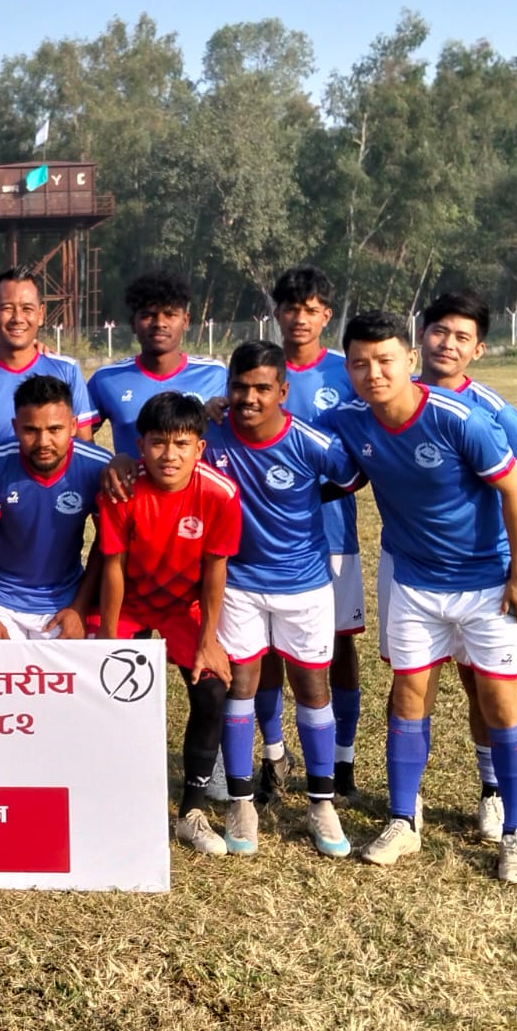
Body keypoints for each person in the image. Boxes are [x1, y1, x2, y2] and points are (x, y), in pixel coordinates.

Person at [325, 310, 517, 883]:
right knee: (407, 696)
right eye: (360, 363)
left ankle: (516, 832)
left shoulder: (458, 417)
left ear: (410, 360)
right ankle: (403, 820)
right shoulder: (348, 418)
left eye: (385, 360)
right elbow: (284, 432)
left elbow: (516, 491)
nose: (374, 373)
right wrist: (219, 414)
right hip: (414, 583)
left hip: (488, 583)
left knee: (499, 702)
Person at [202, 341, 361, 857]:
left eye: (261, 388)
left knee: (312, 688)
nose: (249, 398)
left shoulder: (308, 440)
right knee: (240, 686)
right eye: (239, 387)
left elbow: (353, 475)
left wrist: (305, 496)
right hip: (238, 584)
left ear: (282, 391)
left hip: (305, 585)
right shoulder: (210, 434)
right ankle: (241, 802)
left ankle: (321, 802)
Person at [96, 391, 241, 856]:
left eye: (181, 443)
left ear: (200, 447)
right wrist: (107, 637)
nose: (169, 455)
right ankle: (109, 794)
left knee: (212, 689)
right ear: (140, 445)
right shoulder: (122, 489)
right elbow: (113, 566)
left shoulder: (219, 493)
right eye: (159, 442)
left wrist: (208, 639)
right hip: (131, 604)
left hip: (184, 607)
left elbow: (215, 569)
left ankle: (191, 813)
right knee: (102, 688)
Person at [416, 288, 517, 842]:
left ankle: (492, 791)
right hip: (411, 568)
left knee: (481, 687)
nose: (448, 343)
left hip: (484, 572)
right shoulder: (395, 397)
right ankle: (407, 799)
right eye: (440, 331)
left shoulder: (495, 412)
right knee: (412, 683)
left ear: (478, 350)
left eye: (462, 337)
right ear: (422, 335)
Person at [259, 265, 367, 798]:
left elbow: (364, 455)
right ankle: (273, 754)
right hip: (263, 539)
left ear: (326, 315)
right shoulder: (260, 370)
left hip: (332, 533)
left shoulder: (347, 374)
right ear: (276, 313)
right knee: (266, 651)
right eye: (290, 308)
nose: (299, 318)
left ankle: (342, 759)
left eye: (310, 309)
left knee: (338, 647)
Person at [0, 375, 110, 640]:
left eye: (55, 429)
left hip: (65, 599)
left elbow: (106, 543)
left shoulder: (98, 467)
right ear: (15, 427)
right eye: (31, 430)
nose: (43, 442)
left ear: (73, 426)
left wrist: (79, 607)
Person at [86, 268, 227, 456]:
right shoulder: (106, 379)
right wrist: (108, 462)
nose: (160, 323)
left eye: (169, 314)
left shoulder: (216, 375)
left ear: (185, 321)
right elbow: (75, 437)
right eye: (148, 315)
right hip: (134, 477)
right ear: (132, 323)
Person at [0, 265, 98, 445]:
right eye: (7, 308)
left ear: (41, 314)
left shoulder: (67, 370)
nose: (17, 318)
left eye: (27, 309)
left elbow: (85, 444)